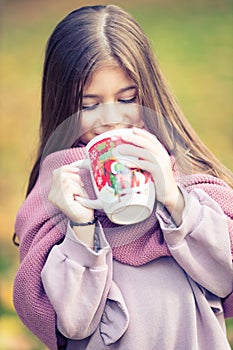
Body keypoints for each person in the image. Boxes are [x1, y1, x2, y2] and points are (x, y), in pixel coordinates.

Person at [13, 4, 233, 350]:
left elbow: (225, 277)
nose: (111, 119)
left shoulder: (188, 177)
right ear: (64, 108)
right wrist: (81, 228)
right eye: (89, 105)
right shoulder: (55, 196)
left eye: (127, 98)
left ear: (149, 94)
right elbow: (69, 322)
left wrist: (175, 199)